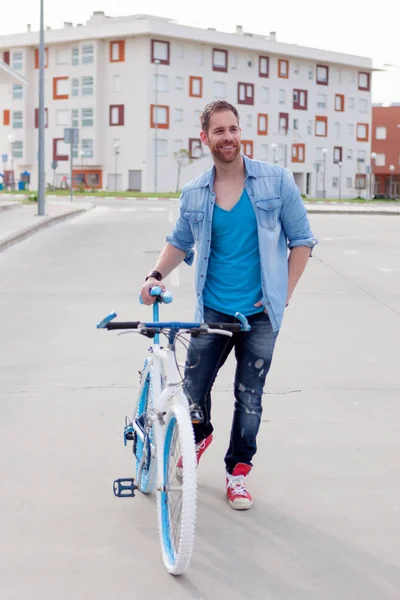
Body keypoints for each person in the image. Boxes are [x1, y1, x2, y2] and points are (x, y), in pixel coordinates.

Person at [140, 100, 317, 510]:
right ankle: (199, 436)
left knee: (249, 397)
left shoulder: (277, 182)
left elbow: (303, 241)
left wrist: (282, 295)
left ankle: (238, 472)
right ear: (205, 138)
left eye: (233, 129)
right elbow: (180, 242)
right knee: (194, 391)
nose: (228, 138)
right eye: (219, 131)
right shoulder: (196, 191)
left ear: (241, 133)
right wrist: (154, 276)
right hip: (214, 309)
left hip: (260, 314)